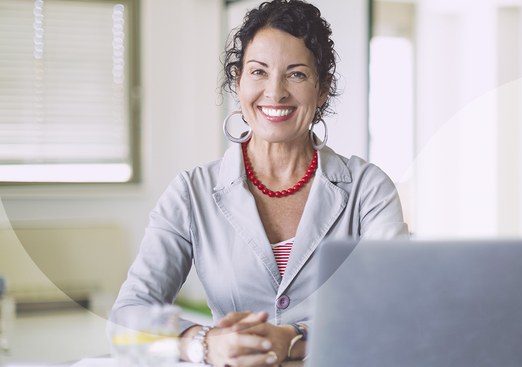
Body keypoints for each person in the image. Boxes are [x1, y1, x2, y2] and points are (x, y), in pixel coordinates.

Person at [109, 1, 409, 366]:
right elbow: (126, 318)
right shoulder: (191, 192)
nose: (275, 92)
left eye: (296, 74)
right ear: (238, 82)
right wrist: (204, 343)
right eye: (258, 72)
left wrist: (295, 338)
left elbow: (395, 307)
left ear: (323, 88)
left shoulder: (368, 189)